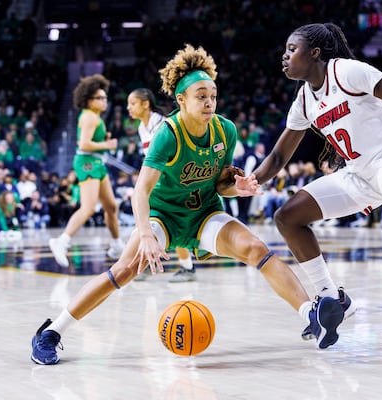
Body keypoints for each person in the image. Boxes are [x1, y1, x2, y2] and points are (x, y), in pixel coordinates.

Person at [31, 44, 340, 365]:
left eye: (213, 96)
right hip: (162, 216)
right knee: (123, 270)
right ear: (181, 100)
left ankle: (312, 315)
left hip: (203, 213)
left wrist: (239, 187)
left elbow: (220, 183)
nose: (209, 102)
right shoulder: (168, 134)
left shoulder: (226, 130)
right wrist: (146, 236)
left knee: (257, 248)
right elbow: (140, 191)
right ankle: (50, 333)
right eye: (201, 96)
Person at [252, 23, 382, 357]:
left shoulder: (346, 72)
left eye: (292, 49)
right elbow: (278, 156)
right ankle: (330, 297)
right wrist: (251, 181)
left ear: (315, 53)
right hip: (359, 173)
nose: (285, 56)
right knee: (288, 217)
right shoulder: (305, 99)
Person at [48, 74, 124, 267]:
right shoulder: (90, 117)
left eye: (104, 97)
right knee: (88, 208)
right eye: (99, 98)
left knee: (111, 207)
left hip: (96, 163)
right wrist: (107, 143)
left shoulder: (94, 116)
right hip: (87, 163)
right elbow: (83, 144)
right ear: (88, 100)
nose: (103, 101)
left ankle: (116, 245)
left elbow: (89, 142)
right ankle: (61, 241)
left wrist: (103, 142)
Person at [126, 87, 196, 282]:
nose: (128, 108)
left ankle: (187, 267)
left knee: (169, 222)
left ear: (145, 104)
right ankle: (148, 262)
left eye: (132, 103)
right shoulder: (142, 127)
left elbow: (171, 154)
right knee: (147, 222)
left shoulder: (160, 123)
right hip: (158, 182)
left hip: (173, 179)